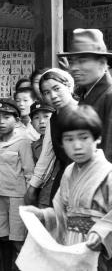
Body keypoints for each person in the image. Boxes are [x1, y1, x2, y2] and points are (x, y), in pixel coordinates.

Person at [24, 105, 112, 270]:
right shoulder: (69, 172)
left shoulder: (108, 175)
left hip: (96, 250)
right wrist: (42, 215)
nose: (76, 146)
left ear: (97, 137)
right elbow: (60, 211)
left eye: (83, 137)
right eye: (69, 139)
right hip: (70, 244)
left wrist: (99, 233)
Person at [0, 98, 34, 271]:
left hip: (18, 199)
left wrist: (29, 201)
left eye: (6, 117)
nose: (1, 122)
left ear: (16, 120)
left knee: (18, 241)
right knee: (4, 239)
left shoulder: (23, 143)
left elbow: (30, 174)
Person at [24, 68, 78, 207]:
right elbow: (47, 154)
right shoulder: (53, 119)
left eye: (57, 88)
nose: (53, 96)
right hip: (64, 179)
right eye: (46, 92)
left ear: (68, 86)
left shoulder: (84, 111)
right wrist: (33, 187)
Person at [57, 28, 112, 161]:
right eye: (72, 61)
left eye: (82, 61)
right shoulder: (84, 94)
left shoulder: (109, 96)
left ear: (102, 63)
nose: (74, 67)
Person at [29, 101, 55, 208]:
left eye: (46, 116)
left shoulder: (62, 141)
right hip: (43, 197)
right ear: (31, 123)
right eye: (36, 118)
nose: (42, 121)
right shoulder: (34, 146)